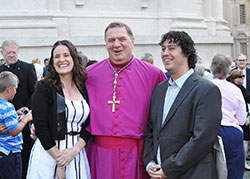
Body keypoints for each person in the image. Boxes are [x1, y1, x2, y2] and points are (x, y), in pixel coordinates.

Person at [86, 22, 167, 179]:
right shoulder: (89, 74)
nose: (116, 44)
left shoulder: (154, 74)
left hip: (137, 154)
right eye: (111, 40)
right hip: (99, 154)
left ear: (132, 41)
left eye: (122, 39)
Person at [143, 31, 222, 179]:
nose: (165, 53)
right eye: (163, 49)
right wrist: (149, 162)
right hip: (157, 172)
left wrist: (169, 168)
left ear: (186, 52)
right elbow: (150, 130)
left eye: (171, 48)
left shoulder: (206, 90)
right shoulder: (159, 89)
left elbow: (202, 139)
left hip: (193, 173)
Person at [26, 40, 91, 179]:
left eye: (66, 55)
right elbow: (41, 127)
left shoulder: (83, 88)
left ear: (74, 58)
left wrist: (75, 150)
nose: (62, 60)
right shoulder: (44, 87)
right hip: (49, 153)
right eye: (57, 56)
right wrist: (60, 162)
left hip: (76, 154)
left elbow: (88, 125)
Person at [0, 40, 37, 179]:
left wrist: (26, 110)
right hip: (2, 133)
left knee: (23, 164)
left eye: (14, 52)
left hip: (23, 128)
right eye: (9, 52)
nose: (12, 55)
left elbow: (34, 93)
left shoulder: (28, 68)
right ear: (2, 53)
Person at [211, 54, 246, 179]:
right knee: (234, 171)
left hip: (209, 131)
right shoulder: (235, 89)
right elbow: (241, 119)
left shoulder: (203, 86)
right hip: (231, 132)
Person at [0, 71, 32, 179]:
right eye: (15, 89)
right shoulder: (8, 106)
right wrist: (26, 119)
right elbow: (14, 131)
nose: (16, 92)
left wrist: (16, 114)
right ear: (9, 89)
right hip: (10, 152)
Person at [230, 69, 250, 171]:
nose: (243, 78)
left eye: (243, 76)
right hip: (241, 116)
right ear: (235, 78)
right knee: (245, 140)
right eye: (240, 76)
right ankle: (243, 162)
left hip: (231, 117)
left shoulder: (229, 87)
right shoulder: (240, 88)